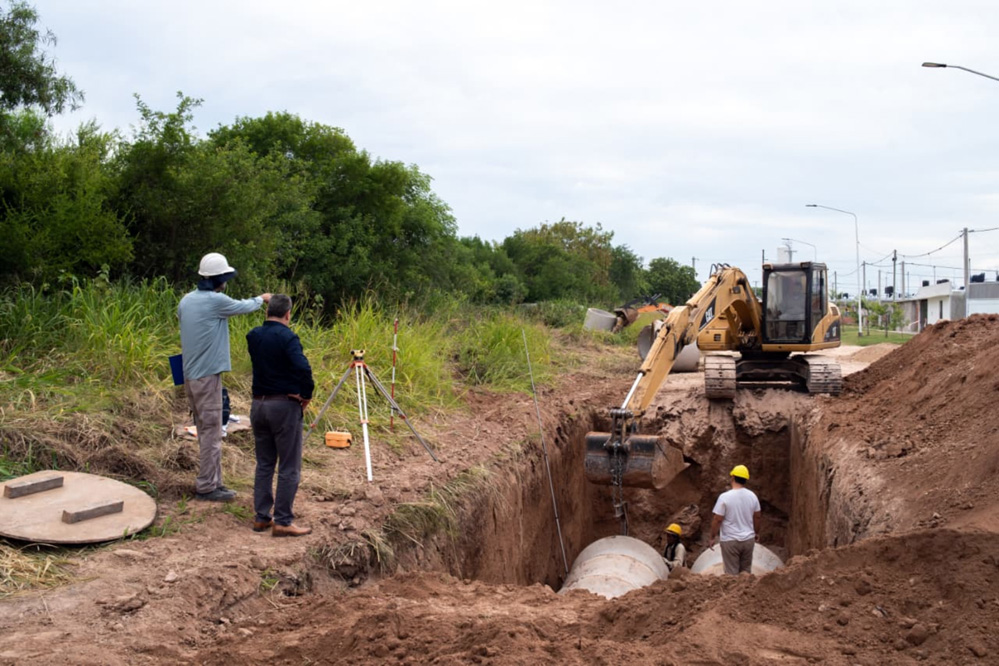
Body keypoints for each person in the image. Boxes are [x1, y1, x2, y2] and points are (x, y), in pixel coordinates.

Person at [178, 252, 270, 502]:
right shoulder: (214, 301)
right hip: (207, 377)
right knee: (213, 432)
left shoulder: (186, 301)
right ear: (218, 279)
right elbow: (243, 306)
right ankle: (207, 487)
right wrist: (262, 299)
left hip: (189, 375)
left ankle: (213, 481)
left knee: (205, 429)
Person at [246, 294, 314, 537]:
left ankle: (261, 517)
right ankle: (283, 520)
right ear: (288, 314)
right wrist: (306, 394)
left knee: (264, 463)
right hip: (283, 406)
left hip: (258, 405)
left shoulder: (253, 336)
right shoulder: (288, 337)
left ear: (267, 312)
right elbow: (303, 367)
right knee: (288, 465)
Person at [707, 464, 761, 575]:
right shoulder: (752, 496)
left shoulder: (725, 497)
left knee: (732, 577)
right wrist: (756, 532)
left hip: (730, 541)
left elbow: (717, 519)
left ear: (732, 478)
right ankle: (746, 592)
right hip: (748, 540)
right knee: (746, 574)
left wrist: (712, 537)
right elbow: (757, 516)